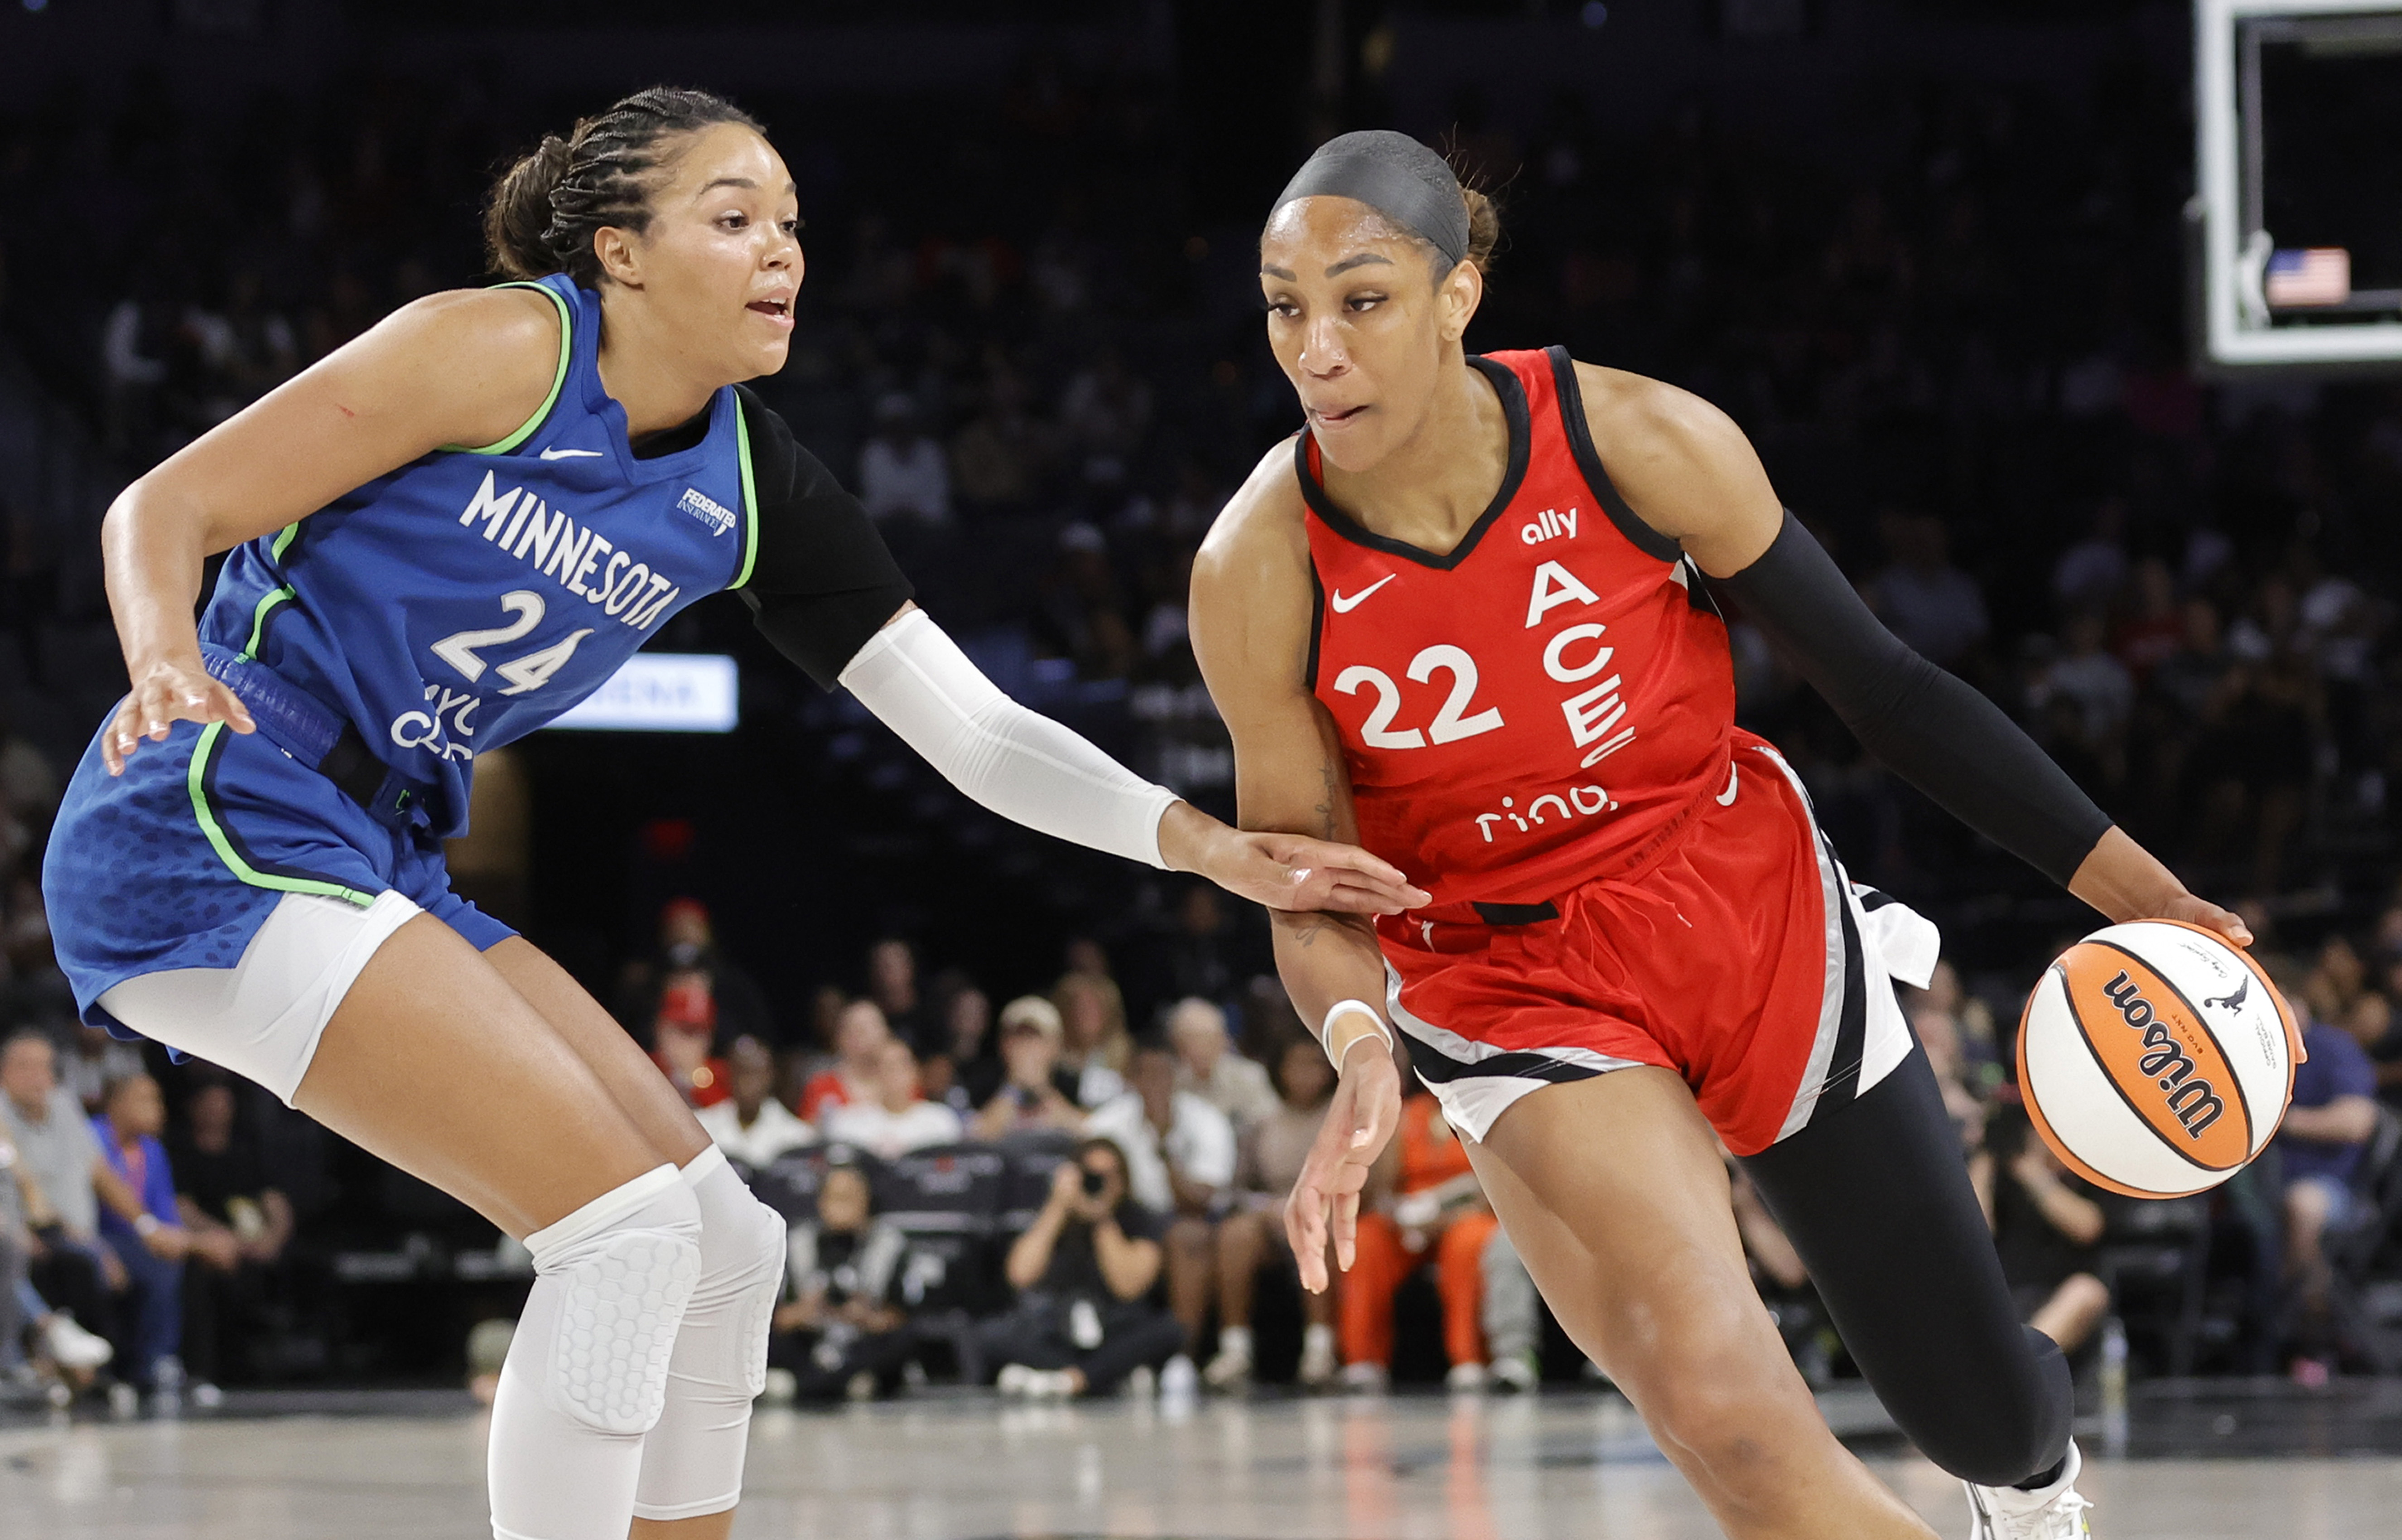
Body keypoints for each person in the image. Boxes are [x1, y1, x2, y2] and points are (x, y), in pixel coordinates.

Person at [35, 88, 1417, 1540]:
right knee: (620, 1231)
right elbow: (159, 509)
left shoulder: (754, 485)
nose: (783, 254)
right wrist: (165, 661)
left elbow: (972, 728)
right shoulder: (502, 346)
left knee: (723, 1242)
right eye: (735, 217)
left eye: (792, 226)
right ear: (621, 253)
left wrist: (1201, 841)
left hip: (378, 847)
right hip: (214, 799)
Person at [1193, 130, 2255, 1539]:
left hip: (1743, 900)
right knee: (1726, 1410)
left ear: (1461, 293)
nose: (1315, 348)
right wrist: (1362, 1046)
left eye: (1362, 298)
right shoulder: (1256, 566)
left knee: (1980, 1412)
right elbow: (1307, 892)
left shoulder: (1640, 439)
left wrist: (2149, 894)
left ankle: (2031, 1486)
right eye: (1284, 306)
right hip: (1514, 978)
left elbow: (1887, 689)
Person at [980, 1135, 1186, 1399]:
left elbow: (1129, 1288)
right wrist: (1057, 1206)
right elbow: (1020, 1275)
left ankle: (1069, 1380)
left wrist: (1103, 1220)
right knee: (992, 1334)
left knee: (1167, 1331)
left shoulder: (1138, 1219)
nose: (1098, 1182)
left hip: (1116, 1325)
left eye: (1111, 1175)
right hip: (1058, 1328)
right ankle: (1102, 1377)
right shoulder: (1054, 1215)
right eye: (1092, 1174)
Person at [1081, 1044, 1235, 1391]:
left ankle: (1181, 1355)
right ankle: (1117, 1357)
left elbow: (1202, 1201)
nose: (1156, 1083)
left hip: (1189, 1219)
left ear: (1177, 1076)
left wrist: (1164, 1147)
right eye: (1146, 1074)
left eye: (1164, 1073)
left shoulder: (1206, 1120)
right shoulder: (1105, 1122)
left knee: (1188, 1236)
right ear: (1130, 1079)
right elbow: (1090, 1184)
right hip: (1128, 1217)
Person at [1337, 1085, 1499, 1392]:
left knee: (1470, 1240)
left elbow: (1494, 1188)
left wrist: (1444, 1219)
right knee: (1367, 1237)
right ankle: (1363, 1359)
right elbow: (1383, 1191)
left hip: (1466, 1212)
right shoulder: (1406, 1114)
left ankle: (1468, 1358)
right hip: (1410, 1216)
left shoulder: (1483, 1108)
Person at [1201, 1035, 1341, 1389]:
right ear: (1280, 1069)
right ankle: (1235, 1349)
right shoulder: (1263, 1122)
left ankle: (1319, 1349)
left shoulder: (1342, 1117)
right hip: (1271, 1214)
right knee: (1235, 1234)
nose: (1306, 1074)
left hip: (1328, 1213)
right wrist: (1267, 1208)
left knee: (1314, 1227)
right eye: (1297, 1064)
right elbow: (1239, 1189)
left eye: (1315, 1064)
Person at [168, 1074, 296, 1399]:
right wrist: (225, 1239)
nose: (216, 1111)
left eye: (223, 1104)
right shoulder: (181, 1149)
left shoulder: (247, 1147)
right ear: (193, 1108)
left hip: (254, 1243)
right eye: (209, 1104)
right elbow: (182, 1207)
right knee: (207, 1279)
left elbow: (275, 1200)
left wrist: (273, 1238)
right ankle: (207, 1370)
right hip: (210, 1242)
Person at [2275, 1006, 2380, 1383]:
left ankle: (2313, 1337)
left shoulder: (2330, 1046)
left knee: (2303, 1205)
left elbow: (2358, 1121)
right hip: (2260, 1189)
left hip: (2331, 1187)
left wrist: (2281, 1121)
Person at [1972, 1109, 2110, 1362]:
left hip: (2058, 1296)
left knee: (2087, 1292)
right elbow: (1974, 1234)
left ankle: (2018, 1367)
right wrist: (1986, 1156)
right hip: (2001, 1295)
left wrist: (2030, 1170)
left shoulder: (2084, 1173)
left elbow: (2088, 1228)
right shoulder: (1995, 1172)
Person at [768, 1163, 914, 1402]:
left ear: (867, 1201)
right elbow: (778, 1318)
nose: (842, 1207)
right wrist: (808, 1310)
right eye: (836, 1198)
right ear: (821, 1202)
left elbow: (901, 1316)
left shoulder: (890, 1245)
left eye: (850, 1198)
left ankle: (807, 1385)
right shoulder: (796, 1244)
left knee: (903, 1341)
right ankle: (843, 1383)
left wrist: (865, 1315)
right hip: (810, 1337)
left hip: (862, 1337)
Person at [91, 1073, 190, 1395]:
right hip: (99, 1236)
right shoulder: (92, 1137)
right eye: (146, 1100)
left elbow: (165, 1214)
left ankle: (161, 1362)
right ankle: (150, 1361)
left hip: (140, 1240)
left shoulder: (152, 1150)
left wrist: (181, 1240)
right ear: (116, 1104)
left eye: (158, 1101)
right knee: (156, 1265)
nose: (158, 1110)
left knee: (173, 1259)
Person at [820, 1040, 963, 1159]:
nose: (895, 1074)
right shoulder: (848, 1123)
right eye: (887, 1067)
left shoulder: (941, 1121)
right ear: (874, 1075)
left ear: (916, 1073)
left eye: (902, 1065)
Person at [970, 995, 1085, 1140]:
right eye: (1019, 1036)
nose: (1027, 1046)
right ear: (1004, 1045)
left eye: (1035, 1037)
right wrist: (1014, 1086)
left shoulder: (1074, 1084)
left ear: (1056, 1046)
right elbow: (976, 1141)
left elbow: (1087, 1140)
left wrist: (1042, 1088)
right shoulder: (981, 1084)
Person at [694, 1037, 815, 1169]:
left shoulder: (797, 1136)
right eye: (742, 1073)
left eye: (755, 1074)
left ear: (770, 1077)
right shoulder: (702, 1126)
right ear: (730, 1076)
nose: (748, 1084)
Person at [1167, 996, 1278, 1132]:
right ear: (1177, 1047)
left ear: (1223, 1041)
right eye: (1191, 1041)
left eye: (1207, 1040)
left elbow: (1269, 1125)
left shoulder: (1251, 1077)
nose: (1199, 1049)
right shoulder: (1171, 1083)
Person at [798, 999, 891, 1124]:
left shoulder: (905, 1083)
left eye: (875, 1026)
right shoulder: (821, 1088)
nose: (872, 1036)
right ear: (842, 1038)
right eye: (860, 1029)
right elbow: (806, 1135)